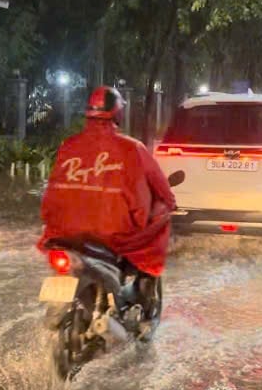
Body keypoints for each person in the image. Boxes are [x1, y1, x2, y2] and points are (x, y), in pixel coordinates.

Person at [38, 86, 176, 309]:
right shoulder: (133, 149)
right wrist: (168, 204)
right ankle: (144, 283)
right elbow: (162, 190)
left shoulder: (69, 146)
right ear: (118, 113)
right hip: (112, 235)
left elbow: (53, 189)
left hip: (63, 232)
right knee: (161, 216)